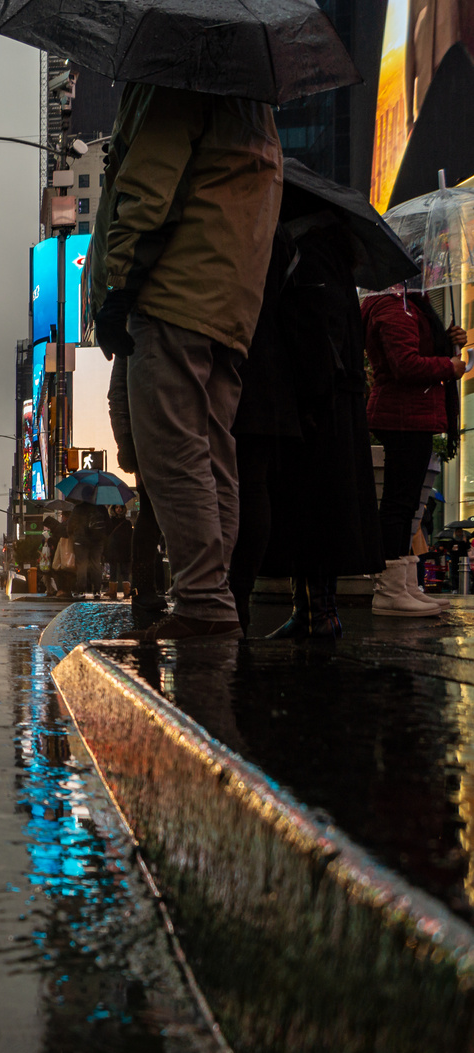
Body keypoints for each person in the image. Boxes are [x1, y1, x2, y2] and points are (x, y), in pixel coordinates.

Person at [89, 83, 283, 642]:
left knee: (173, 451)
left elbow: (149, 188)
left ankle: (202, 600)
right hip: (229, 297)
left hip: (174, 291)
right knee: (213, 449)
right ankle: (214, 594)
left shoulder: (174, 75)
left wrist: (118, 287)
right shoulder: (250, 98)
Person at [230, 207, 383, 637]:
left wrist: (310, 400)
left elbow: (311, 331)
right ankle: (313, 608)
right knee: (319, 512)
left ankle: (318, 612)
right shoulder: (331, 261)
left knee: (312, 511)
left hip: (319, 406)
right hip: (335, 403)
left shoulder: (310, 257)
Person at [362, 285, 465, 616]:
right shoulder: (395, 308)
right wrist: (449, 366)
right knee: (397, 504)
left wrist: (449, 340)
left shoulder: (411, 307)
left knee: (407, 507)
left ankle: (404, 585)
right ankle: (390, 590)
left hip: (414, 414)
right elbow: (405, 364)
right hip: (402, 415)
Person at [108, 354, 170, 628]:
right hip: (151, 437)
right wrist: (125, 442)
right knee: (151, 514)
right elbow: (118, 394)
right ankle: (146, 591)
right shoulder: (134, 328)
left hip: (186, 432)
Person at [105, 506, 132, 598]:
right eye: (116, 507)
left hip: (123, 549)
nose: (119, 509)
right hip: (115, 549)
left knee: (124, 571)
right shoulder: (110, 522)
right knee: (114, 570)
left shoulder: (127, 523)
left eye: (120, 507)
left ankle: (125, 591)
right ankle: (114, 591)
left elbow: (130, 537)